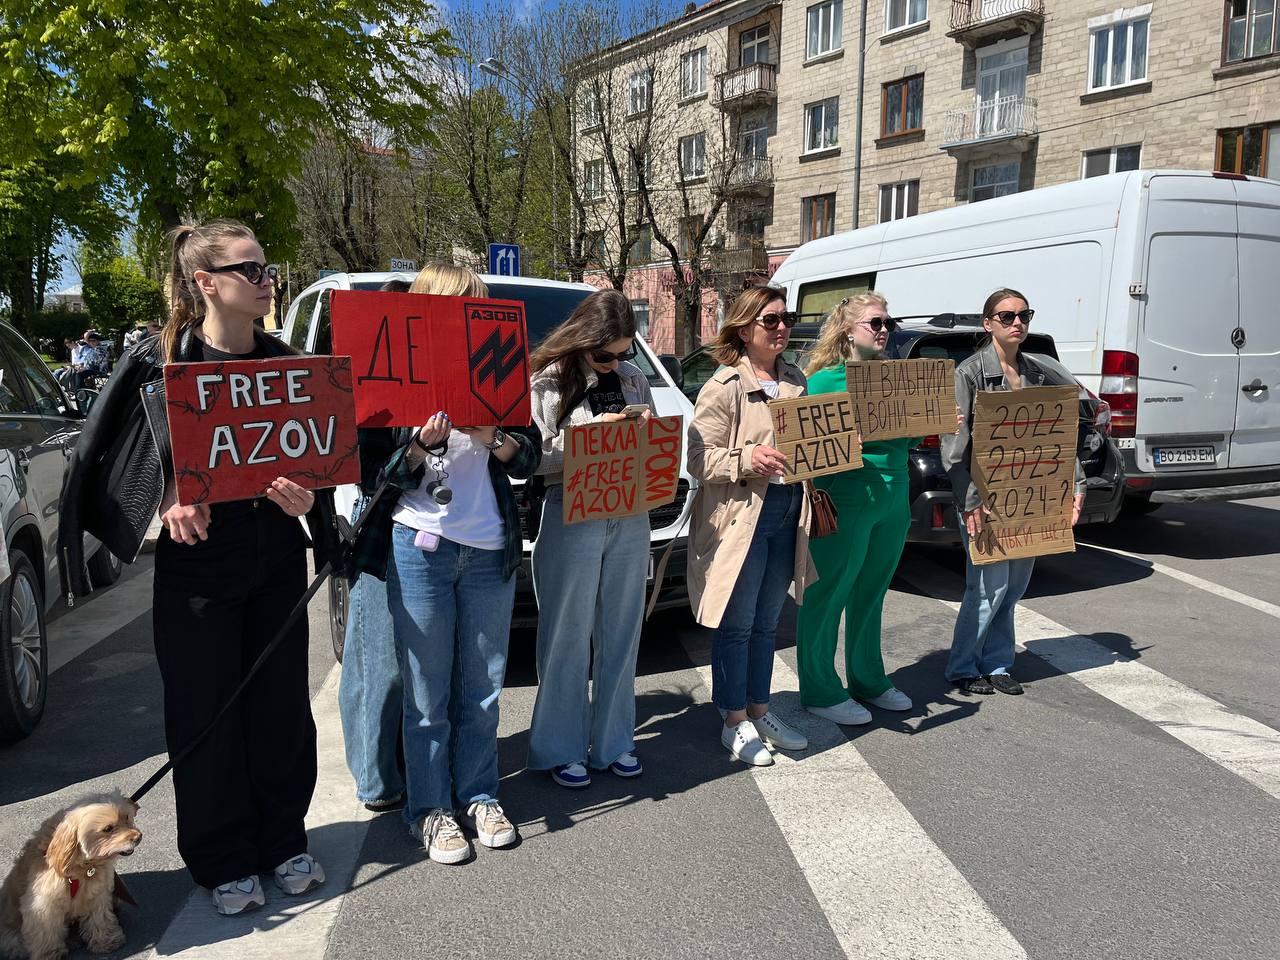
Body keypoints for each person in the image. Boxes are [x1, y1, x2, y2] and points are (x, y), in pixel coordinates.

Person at [57, 219, 340, 916]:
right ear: (206, 282)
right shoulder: (158, 363)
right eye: (250, 269)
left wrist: (309, 500)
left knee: (279, 710)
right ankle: (221, 860)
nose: (266, 279)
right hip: (195, 567)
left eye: (267, 266)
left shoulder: (286, 363)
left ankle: (282, 841)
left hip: (273, 552)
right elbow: (108, 457)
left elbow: (319, 465)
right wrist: (169, 495)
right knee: (204, 715)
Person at [347, 262, 541, 865]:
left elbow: (528, 456)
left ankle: (479, 794)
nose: (471, 314)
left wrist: (497, 439)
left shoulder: (498, 364)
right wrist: (417, 447)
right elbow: (370, 474)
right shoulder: (395, 379)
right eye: (461, 304)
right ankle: (430, 810)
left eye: (477, 303)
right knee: (426, 689)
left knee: (482, 685)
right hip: (419, 545)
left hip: (487, 548)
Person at [526, 289, 653, 789]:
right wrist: (590, 440)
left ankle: (615, 739)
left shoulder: (633, 379)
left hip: (630, 509)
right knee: (566, 635)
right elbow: (532, 458)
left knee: (623, 630)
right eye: (606, 354)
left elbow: (646, 447)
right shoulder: (549, 383)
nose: (615, 362)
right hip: (572, 510)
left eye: (624, 352)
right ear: (583, 341)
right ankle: (560, 745)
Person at [686, 284, 815, 767]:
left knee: (768, 622)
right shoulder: (723, 386)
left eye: (787, 319)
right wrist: (746, 458)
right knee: (737, 625)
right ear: (744, 329)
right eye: (771, 320)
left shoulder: (797, 379)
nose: (782, 328)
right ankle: (733, 719)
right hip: (742, 518)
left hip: (787, 511)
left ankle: (761, 709)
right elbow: (697, 459)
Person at [941, 288, 1087, 695]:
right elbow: (954, 446)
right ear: (988, 324)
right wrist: (969, 500)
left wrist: (1073, 485)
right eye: (1007, 316)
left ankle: (999, 664)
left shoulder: (1041, 372)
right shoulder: (968, 374)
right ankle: (963, 667)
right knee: (987, 588)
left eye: (1024, 315)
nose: (1018, 323)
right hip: (984, 499)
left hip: (1028, 498)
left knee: (1014, 589)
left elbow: (1058, 436)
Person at [795, 294, 919, 725]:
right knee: (829, 593)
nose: (884, 330)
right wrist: (846, 444)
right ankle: (819, 688)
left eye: (889, 322)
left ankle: (868, 678)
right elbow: (805, 449)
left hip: (895, 491)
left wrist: (937, 422)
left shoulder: (897, 377)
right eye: (875, 322)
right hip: (846, 495)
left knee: (872, 592)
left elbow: (908, 439)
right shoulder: (823, 381)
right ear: (848, 329)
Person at [338, 278, 410, 812]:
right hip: (380, 523)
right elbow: (365, 471)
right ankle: (376, 778)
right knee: (376, 658)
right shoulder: (364, 383)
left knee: (404, 662)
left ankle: (395, 763)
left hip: (434, 530)